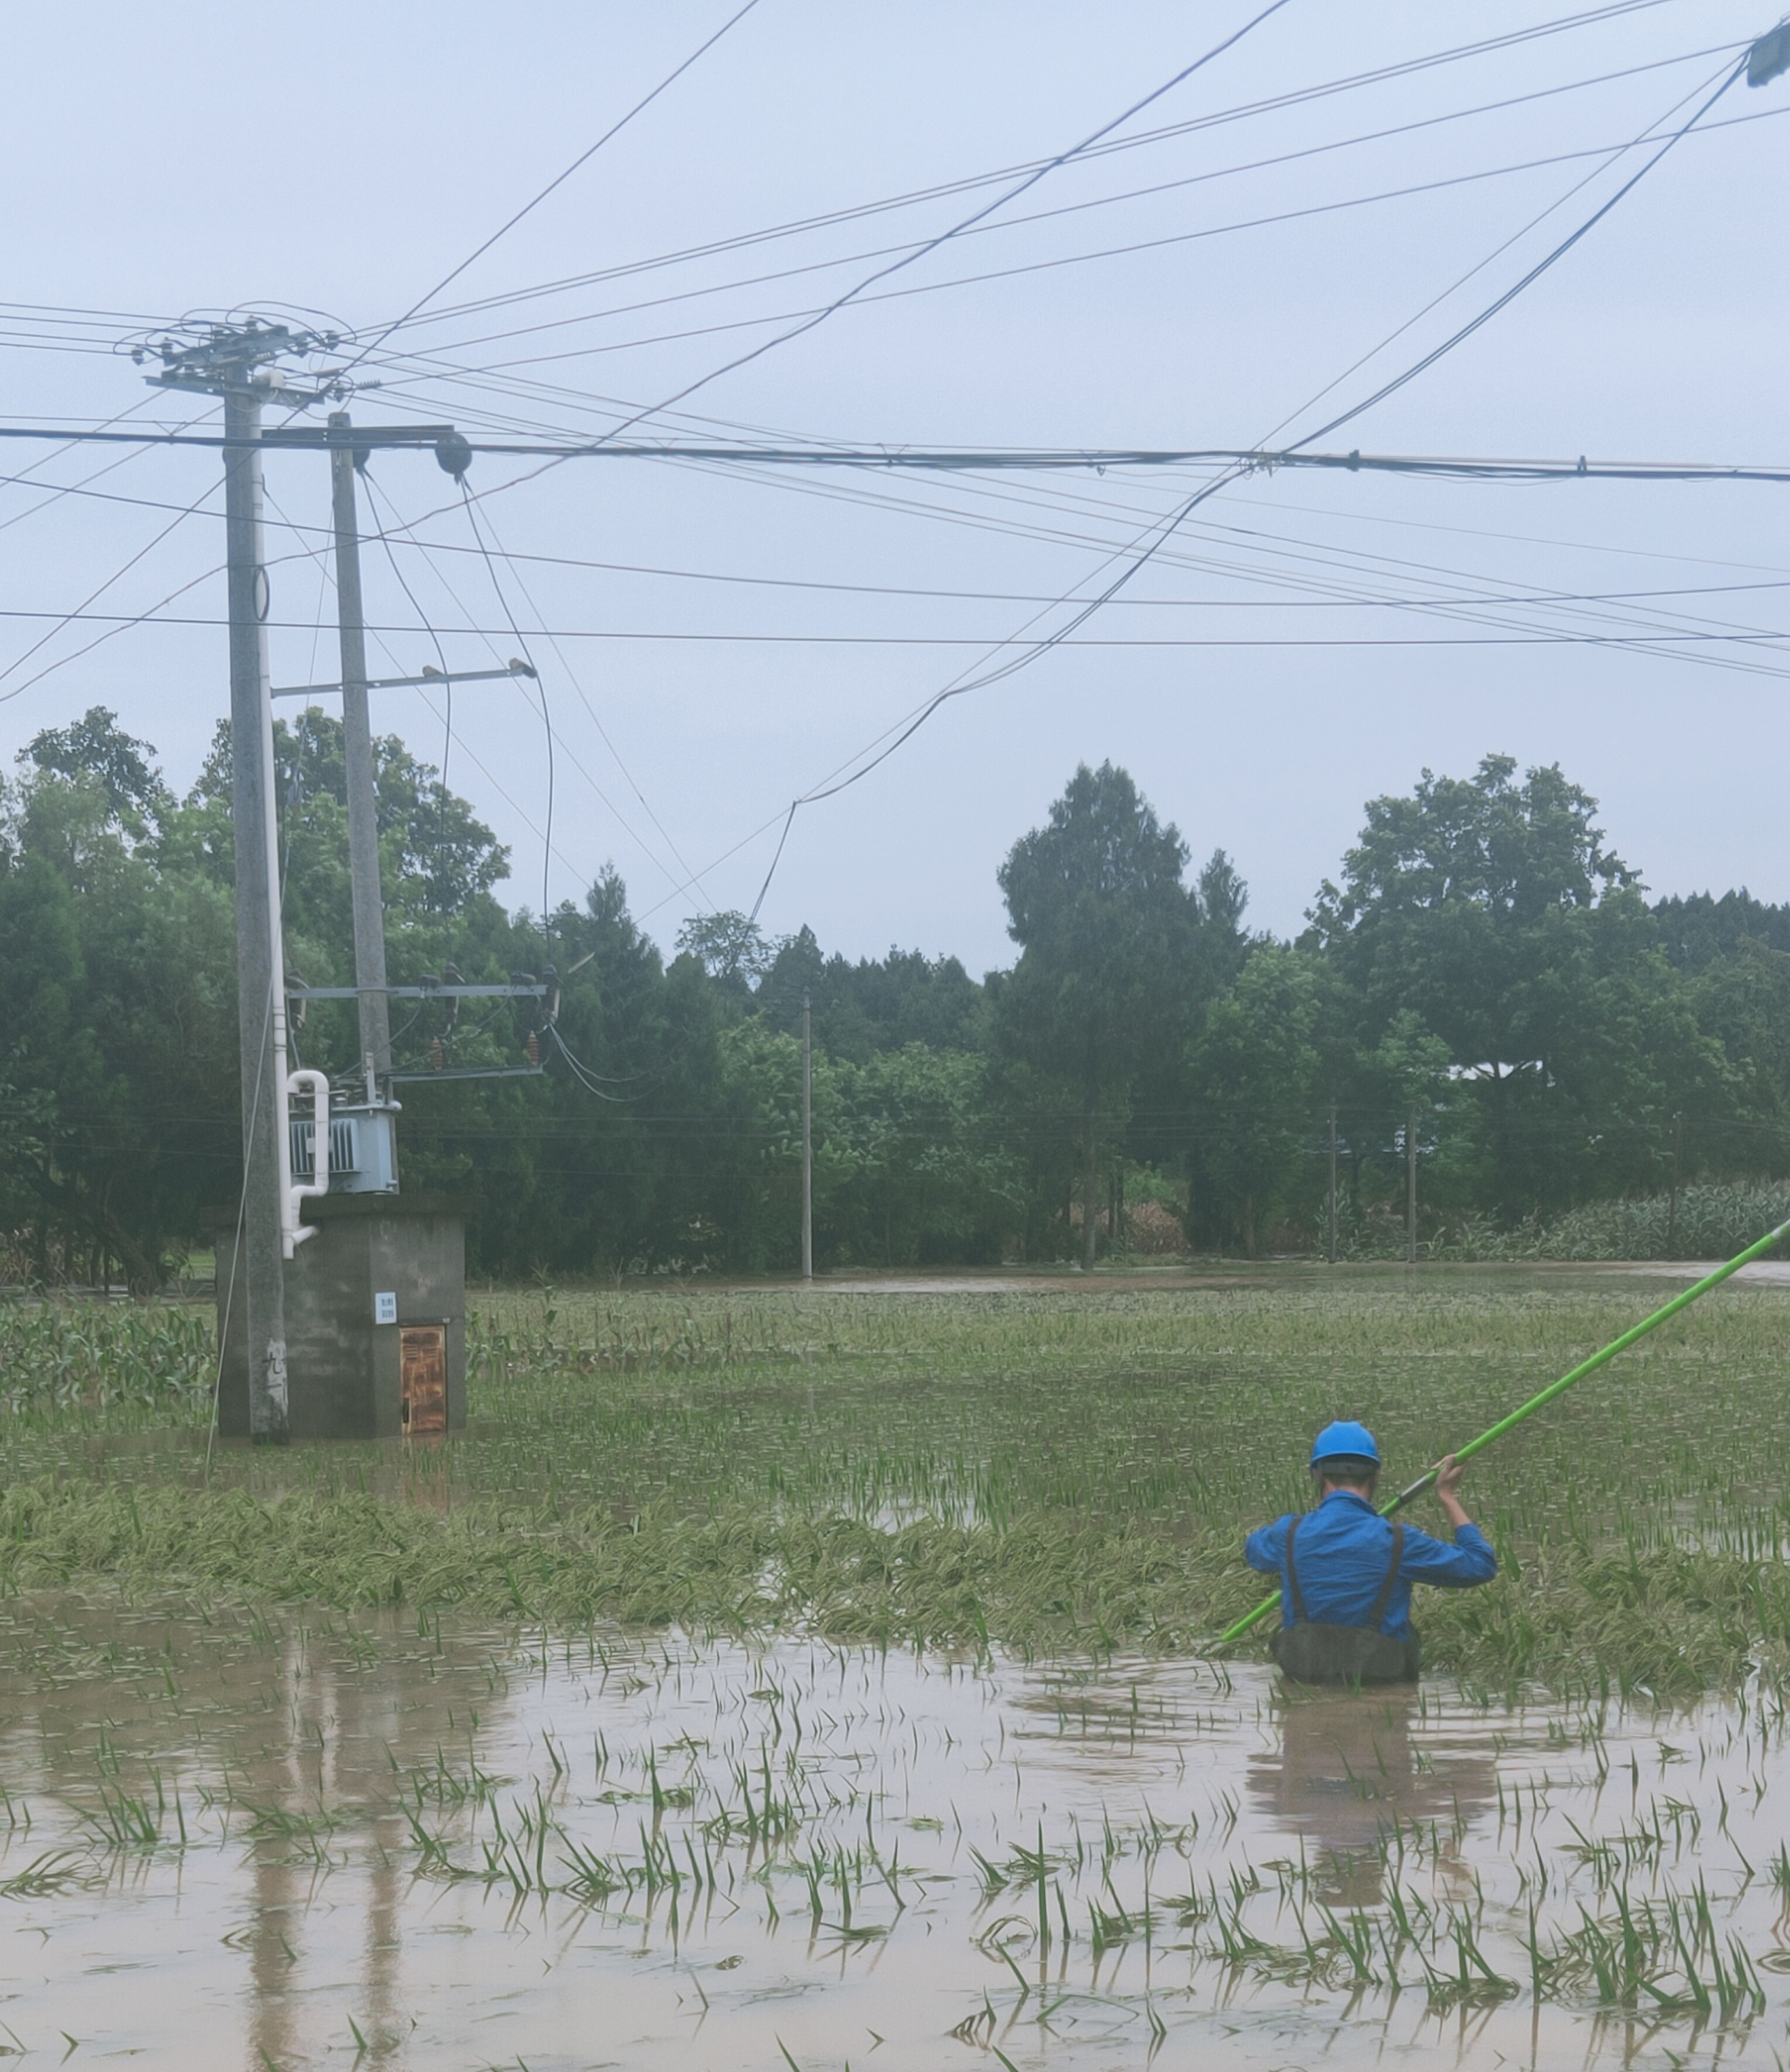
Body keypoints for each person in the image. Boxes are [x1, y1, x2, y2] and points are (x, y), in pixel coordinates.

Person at [1244, 1420, 1495, 1685]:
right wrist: (1447, 1495)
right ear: (1375, 1475)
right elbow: (1480, 1563)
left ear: (1316, 1473)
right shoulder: (1399, 1541)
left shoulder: (1288, 1534)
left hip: (1303, 1686)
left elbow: (1252, 1550)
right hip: (1383, 1696)